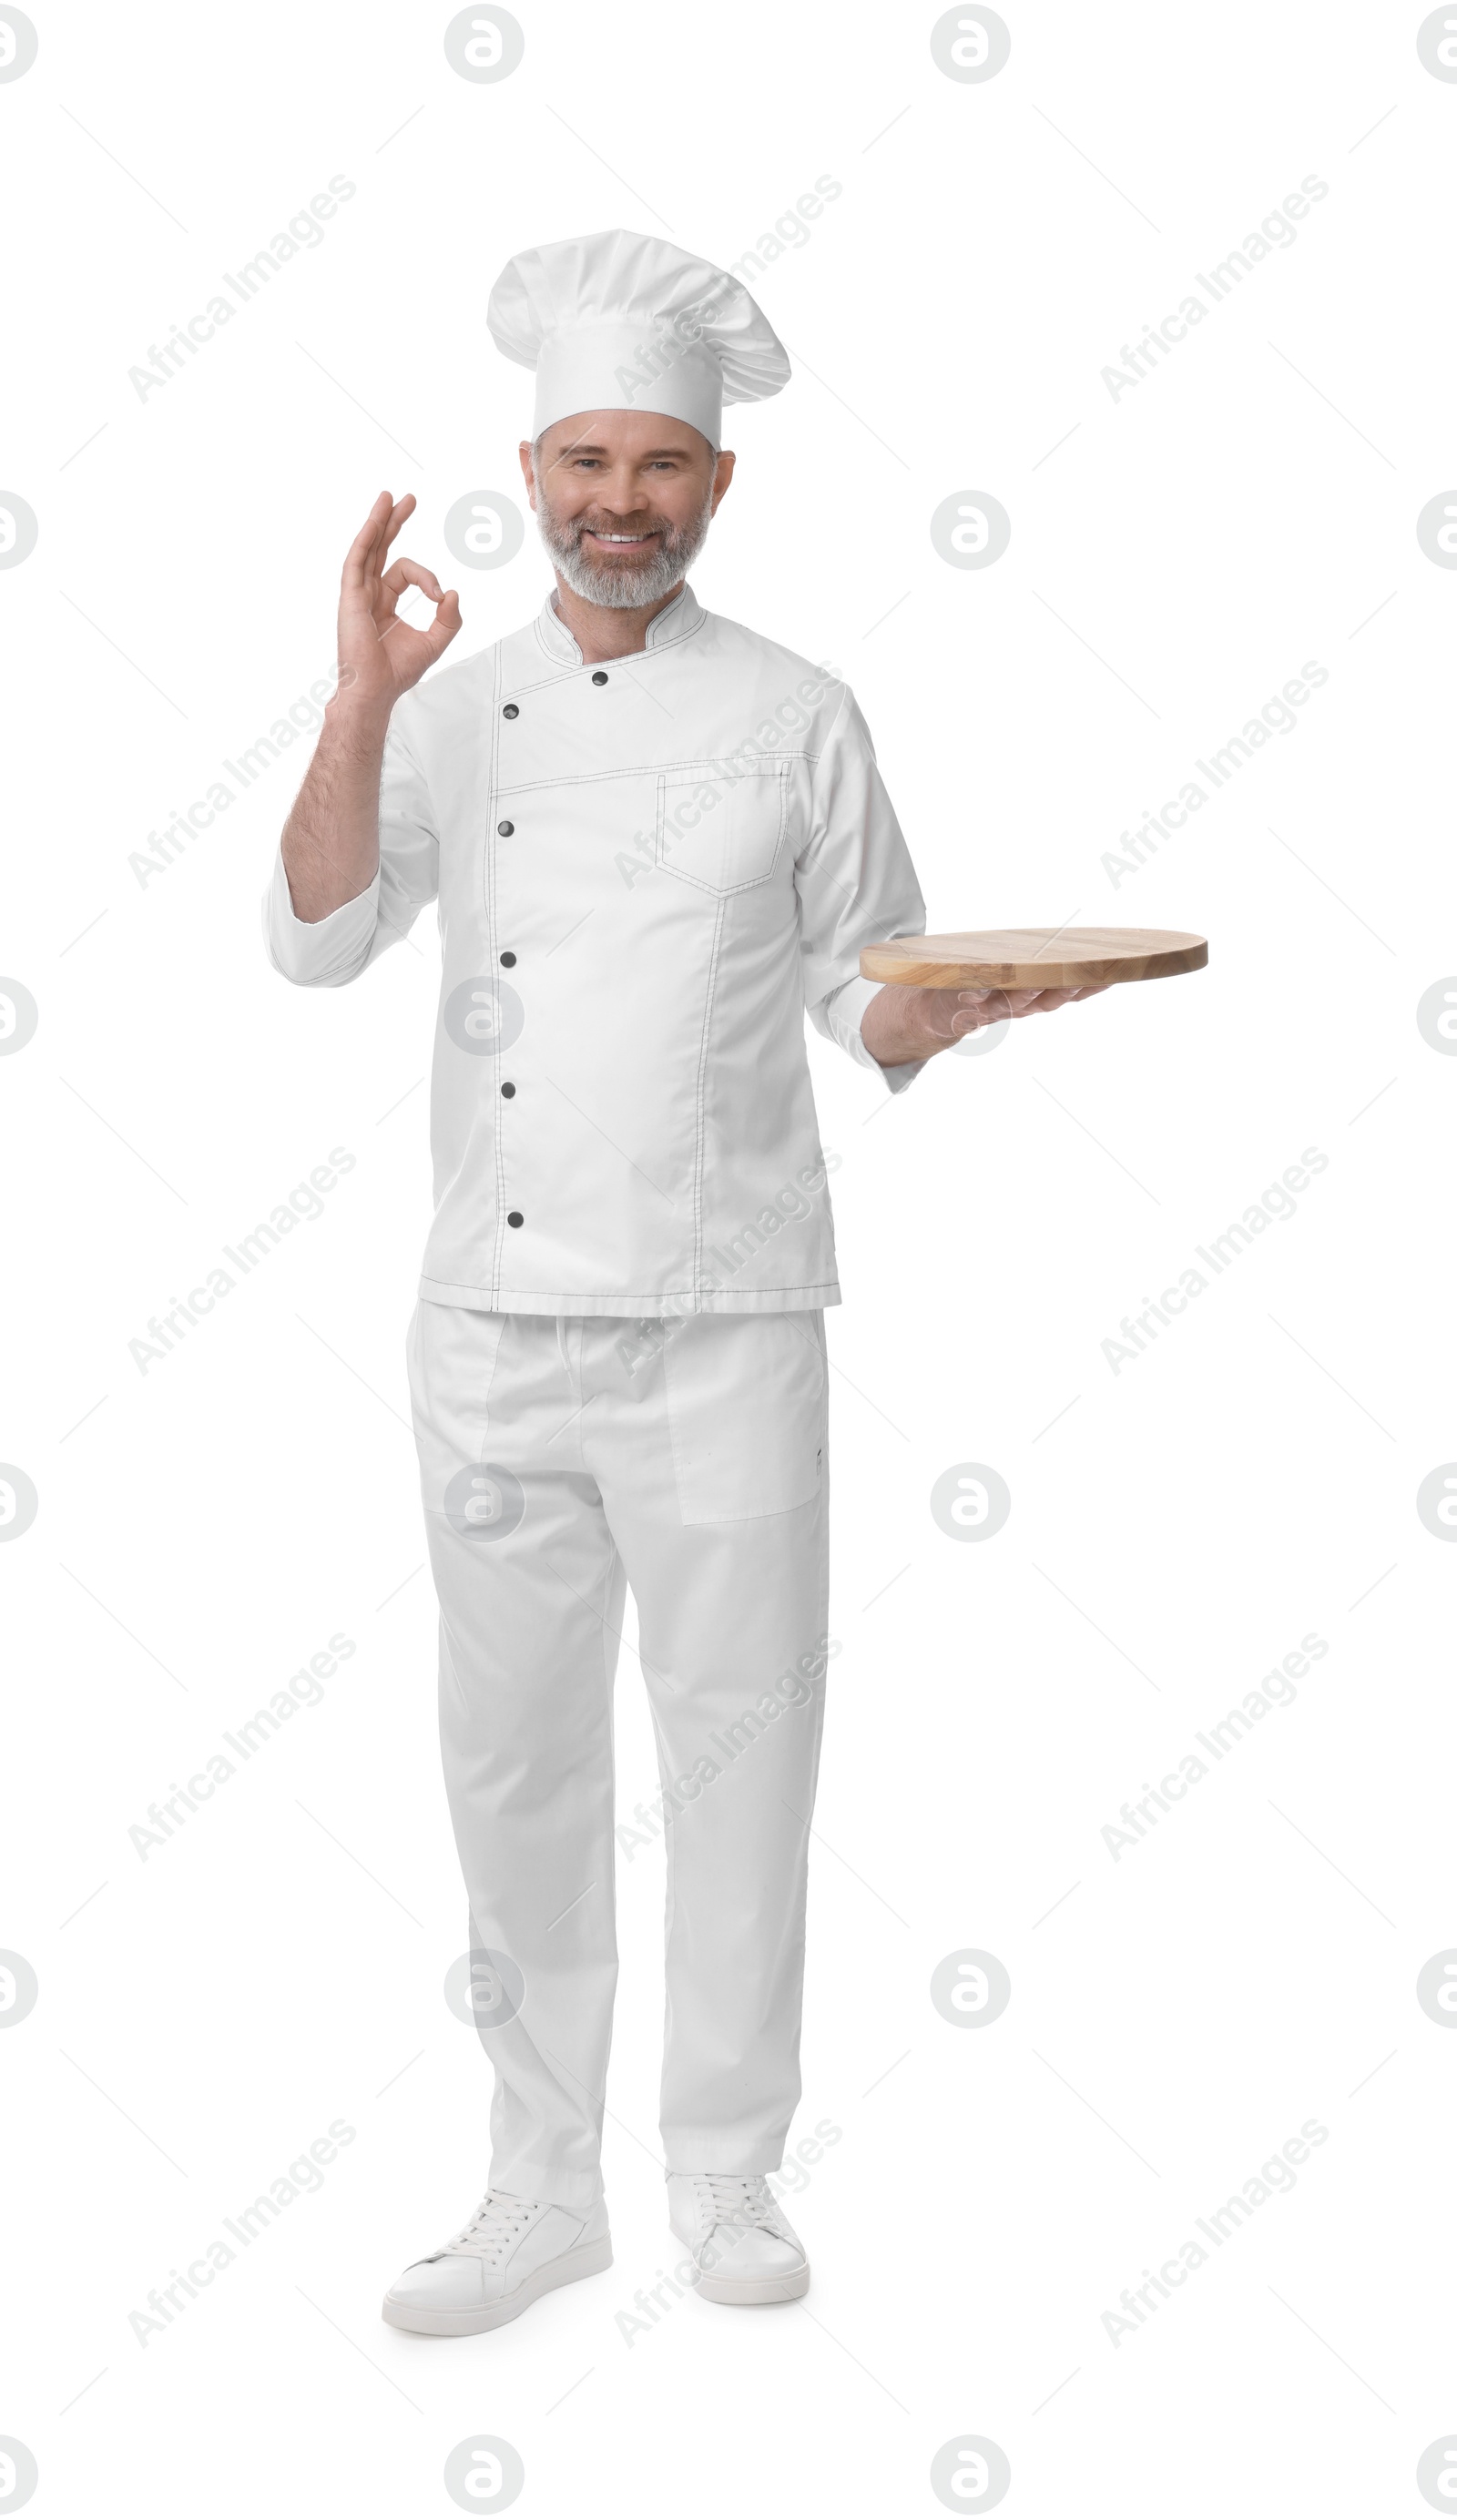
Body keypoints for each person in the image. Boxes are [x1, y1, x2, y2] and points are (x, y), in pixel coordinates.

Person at [263, 229, 1098, 2338]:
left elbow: (863, 993)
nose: (615, 500)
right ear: (527, 470)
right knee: (512, 1767)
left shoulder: (802, 713)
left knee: (740, 1753)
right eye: (581, 460)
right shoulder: (447, 722)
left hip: (727, 1323)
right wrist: (359, 696)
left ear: (716, 488)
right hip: (492, 1336)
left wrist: (965, 1010)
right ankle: (535, 2184)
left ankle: (723, 2173)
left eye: (657, 465)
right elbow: (310, 938)